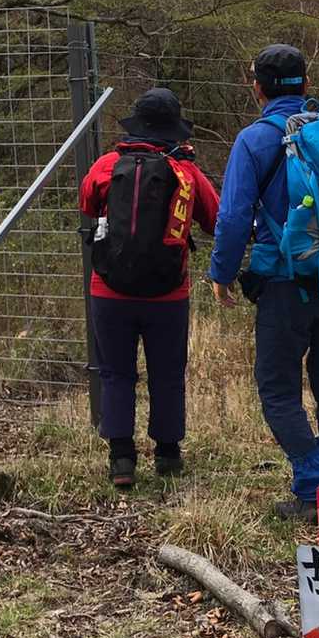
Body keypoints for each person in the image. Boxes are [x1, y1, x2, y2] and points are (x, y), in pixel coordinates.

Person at [209, 45, 319, 522]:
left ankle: (315, 482)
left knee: (277, 387)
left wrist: (221, 274)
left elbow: (233, 217)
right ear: (307, 82)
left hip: (286, 280)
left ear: (257, 86)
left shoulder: (255, 140)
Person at [80, 88, 219, 488]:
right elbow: (215, 219)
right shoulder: (186, 173)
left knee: (115, 372)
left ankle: (121, 459)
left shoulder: (107, 165)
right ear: (174, 128)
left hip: (109, 290)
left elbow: (87, 204)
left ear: (136, 124)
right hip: (168, 294)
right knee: (168, 372)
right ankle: (168, 455)